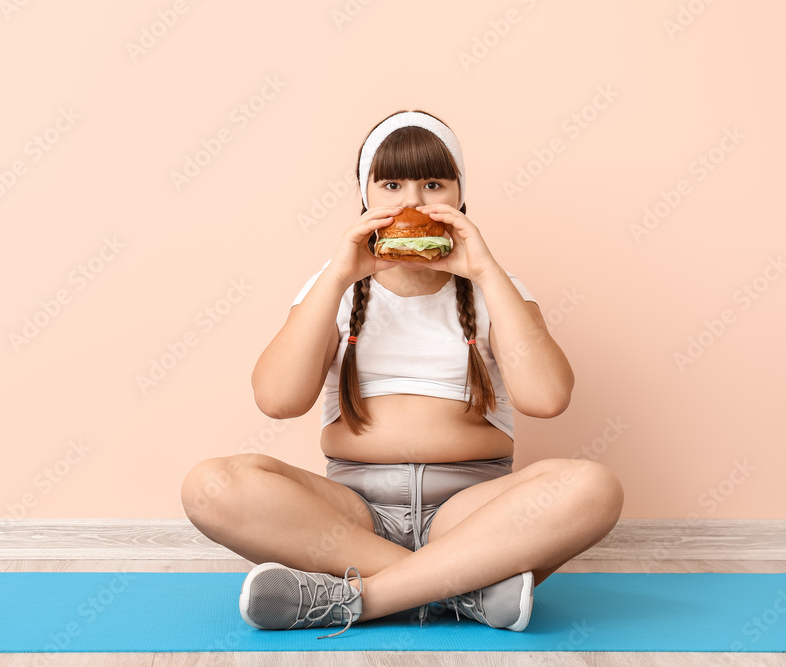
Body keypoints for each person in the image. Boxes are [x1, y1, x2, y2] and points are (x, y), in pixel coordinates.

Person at [180, 109, 624, 639]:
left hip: (470, 516)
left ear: (460, 196)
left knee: (593, 487)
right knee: (210, 485)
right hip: (351, 516)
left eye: (432, 183)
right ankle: (462, 591)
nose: (411, 201)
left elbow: (547, 398)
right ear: (365, 196)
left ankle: (355, 599)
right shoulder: (333, 288)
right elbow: (277, 399)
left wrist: (485, 270)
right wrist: (339, 273)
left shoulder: (497, 289)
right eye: (391, 184)